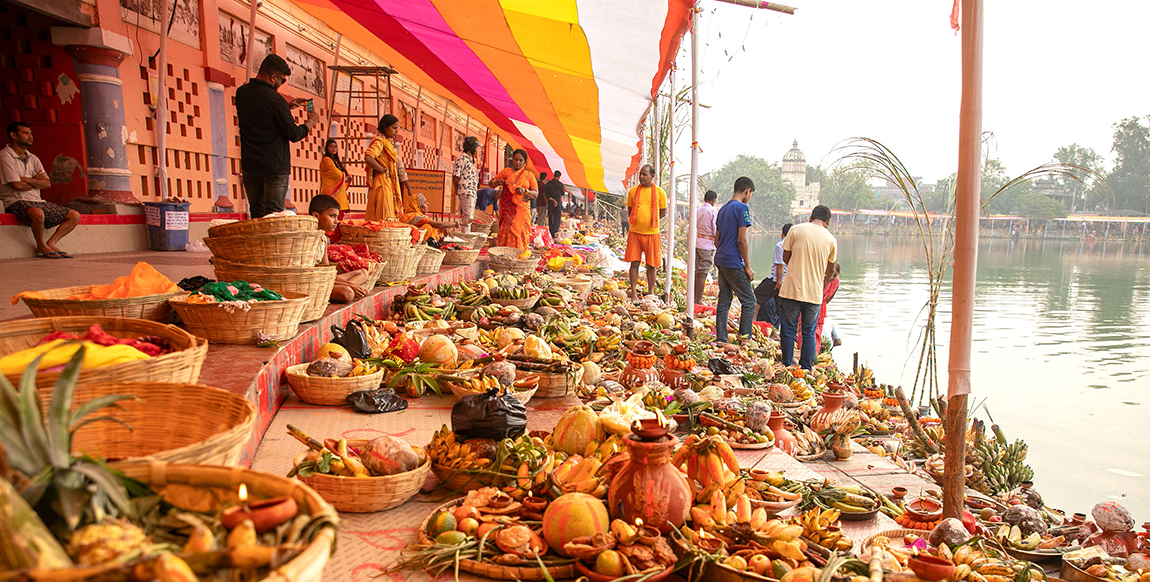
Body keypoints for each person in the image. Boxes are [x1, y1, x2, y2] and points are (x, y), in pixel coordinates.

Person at [236, 54, 318, 218]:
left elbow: (261, 115)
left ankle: (258, 244)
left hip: (250, 164)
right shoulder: (275, 99)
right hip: (274, 167)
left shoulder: (242, 93)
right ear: (273, 77)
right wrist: (310, 122)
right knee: (273, 216)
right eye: (282, 80)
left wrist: (285, 107)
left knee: (258, 216)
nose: (281, 84)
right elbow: (293, 134)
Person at [0, 122, 80, 258]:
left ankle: (51, 242)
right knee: (38, 213)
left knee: (74, 216)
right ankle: (41, 244)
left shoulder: (33, 158)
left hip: (37, 200)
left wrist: (27, 179)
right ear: (13, 135)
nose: (30, 136)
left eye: (31, 133)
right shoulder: (4, 155)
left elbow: (47, 184)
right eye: (25, 133)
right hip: (15, 201)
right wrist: (37, 182)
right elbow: (16, 186)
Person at [779, 205, 838, 369]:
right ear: (827, 222)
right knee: (809, 333)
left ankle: (787, 364)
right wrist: (822, 282)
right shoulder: (831, 239)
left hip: (791, 289)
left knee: (788, 330)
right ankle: (806, 367)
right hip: (814, 294)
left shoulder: (796, 230)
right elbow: (831, 269)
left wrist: (797, 267)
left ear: (810, 218)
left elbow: (785, 257)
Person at [713, 177, 756, 344]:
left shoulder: (723, 209)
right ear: (747, 191)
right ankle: (744, 338)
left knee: (724, 299)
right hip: (733, 261)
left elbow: (716, 240)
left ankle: (721, 339)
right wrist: (748, 266)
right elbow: (742, 240)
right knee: (749, 300)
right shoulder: (742, 208)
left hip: (721, 258)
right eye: (750, 194)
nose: (749, 197)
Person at [309, 194, 369, 303]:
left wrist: (348, 284)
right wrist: (349, 285)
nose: (336, 221)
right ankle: (350, 288)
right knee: (348, 293)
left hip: (324, 279)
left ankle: (349, 287)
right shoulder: (308, 240)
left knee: (364, 273)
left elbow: (326, 270)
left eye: (337, 217)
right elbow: (315, 276)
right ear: (316, 216)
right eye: (332, 216)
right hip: (312, 283)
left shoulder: (323, 238)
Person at [624, 164, 667, 300]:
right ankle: (634, 293)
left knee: (651, 265)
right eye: (640, 174)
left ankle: (651, 293)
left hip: (652, 234)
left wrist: (651, 220)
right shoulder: (633, 192)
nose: (641, 177)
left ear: (652, 176)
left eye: (645, 174)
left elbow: (663, 212)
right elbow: (631, 211)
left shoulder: (660, 193)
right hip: (635, 233)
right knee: (634, 263)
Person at [364, 114, 411, 221]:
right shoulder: (379, 142)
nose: (396, 131)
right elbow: (368, 157)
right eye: (394, 128)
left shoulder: (387, 143)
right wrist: (381, 169)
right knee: (384, 217)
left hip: (388, 183)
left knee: (389, 216)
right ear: (385, 127)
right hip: (382, 184)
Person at [490, 148, 538, 249]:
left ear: (525, 162)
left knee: (521, 233)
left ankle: (520, 254)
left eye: (520, 160)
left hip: (522, 210)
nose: (518, 162)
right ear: (512, 160)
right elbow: (491, 184)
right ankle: (505, 256)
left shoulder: (529, 175)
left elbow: (535, 194)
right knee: (506, 233)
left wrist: (526, 191)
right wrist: (497, 183)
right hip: (507, 210)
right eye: (515, 159)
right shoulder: (506, 172)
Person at [753, 223, 792, 332]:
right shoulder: (794, 245)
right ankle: (780, 332)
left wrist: (778, 281)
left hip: (775, 280)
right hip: (787, 281)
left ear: (782, 234)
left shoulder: (781, 245)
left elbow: (780, 264)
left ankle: (752, 324)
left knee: (755, 297)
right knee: (781, 309)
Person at [694, 190, 719, 304]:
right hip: (707, 244)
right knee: (703, 272)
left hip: (697, 242)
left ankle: (694, 297)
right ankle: (698, 300)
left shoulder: (698, 210)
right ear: (713, 200)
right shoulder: (713, 211)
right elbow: (715, 229)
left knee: (697, 271)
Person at [452, 136, 480, 233]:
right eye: (476, 148)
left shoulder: (469, 160)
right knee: (467, 217)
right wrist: (456, 187)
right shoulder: (462, 159)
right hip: (466, 192)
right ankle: (466, 238)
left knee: (469, 216)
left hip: (470, 192)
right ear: (471, 147)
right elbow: (456, 175)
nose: (476, 151)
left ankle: (466, 236)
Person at [319, 139, 349, 217]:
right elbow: (336, 174)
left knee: (339, 214)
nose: (333, 148)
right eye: (331, 147)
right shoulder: (326, 160)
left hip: (340, 192)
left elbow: (345, 173)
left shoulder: (336, 161)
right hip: (332, 192)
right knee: (333, 213)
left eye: (335, 147)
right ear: (327, 148)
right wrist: (344, 176)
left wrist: (347, 176)